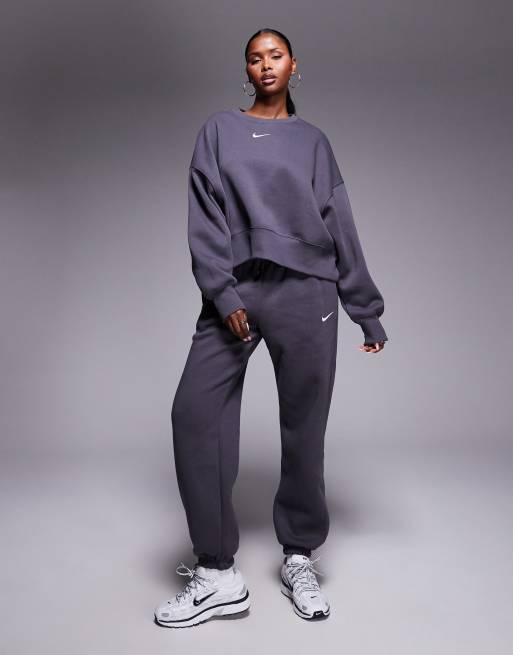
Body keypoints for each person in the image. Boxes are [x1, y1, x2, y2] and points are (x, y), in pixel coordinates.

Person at [154, 27, 388, 629]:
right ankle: (216, 573)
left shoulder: (313, 141)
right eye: (255, 58)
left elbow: (338, 220)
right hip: (237, 293)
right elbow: (205, 216)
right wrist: (222, 291)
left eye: (275, 56)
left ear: (292, 65)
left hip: (307, 294)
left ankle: (299, 555)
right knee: (194, 415)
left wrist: (365, 307)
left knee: (304, 428)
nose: (265, 65)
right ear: (246, 70)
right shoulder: (218, 131)